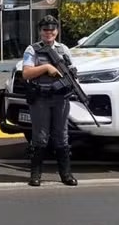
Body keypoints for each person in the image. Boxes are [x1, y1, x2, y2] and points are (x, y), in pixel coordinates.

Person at [19, 14, 78, 187]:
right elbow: (26, 73)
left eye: (52, 30)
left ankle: (66, 174)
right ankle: (36, 174)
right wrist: (46, 67)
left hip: (60, 99)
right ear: (40, 31)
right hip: (41, 99)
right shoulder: (33, 49)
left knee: (62, 136)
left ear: (57, 31)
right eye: (45, 30)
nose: (49, 33)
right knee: (41, 137)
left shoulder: (63, 50)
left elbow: (72, 72)